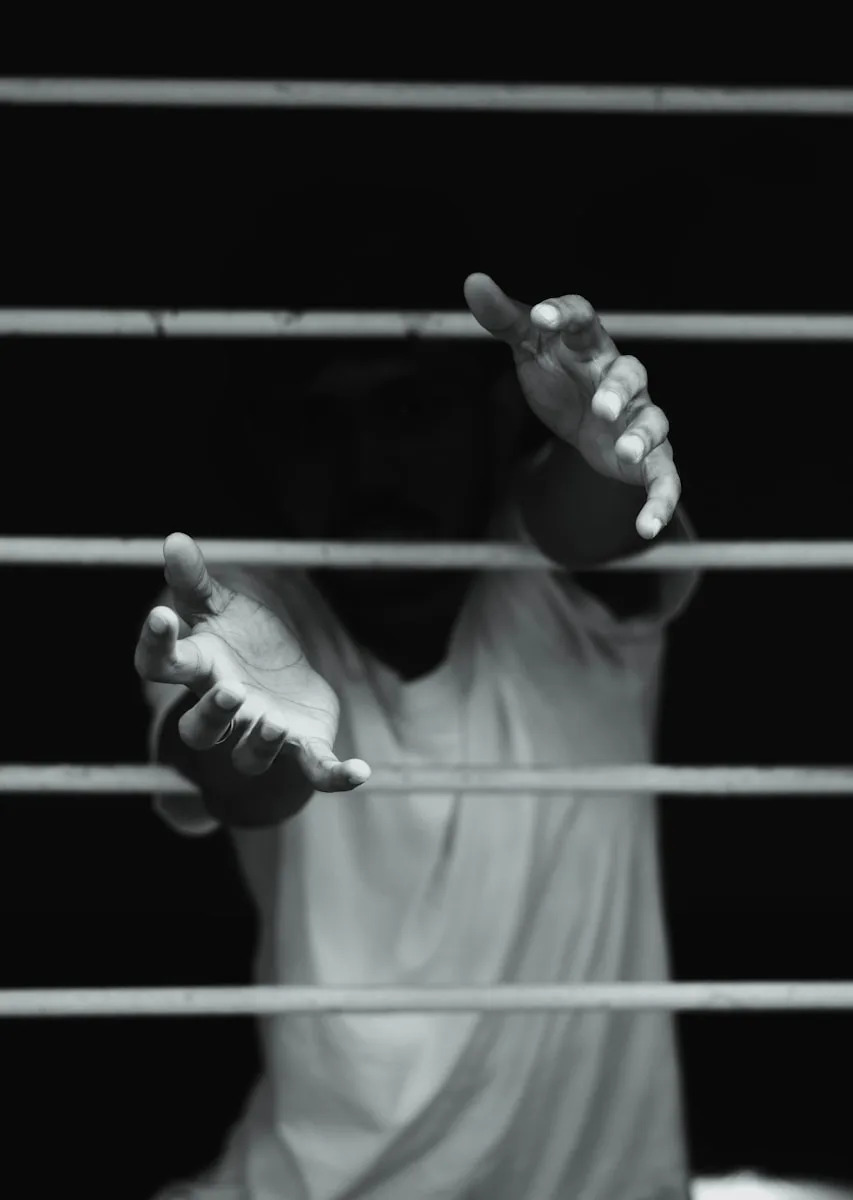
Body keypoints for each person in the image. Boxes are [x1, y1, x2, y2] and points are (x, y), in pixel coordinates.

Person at [135, 188, 698, 1200]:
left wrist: (603, 455)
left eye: (407, 408)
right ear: (264, 450)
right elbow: (231, 775)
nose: (368, 466)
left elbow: (586, 519)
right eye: (317, 425)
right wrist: (246, 741)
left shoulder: (556, 598)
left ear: (488, 417)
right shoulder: (241, 622)